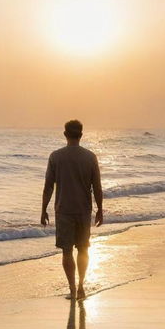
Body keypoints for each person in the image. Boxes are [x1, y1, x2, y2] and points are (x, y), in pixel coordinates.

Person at [41, 120, 103, 300]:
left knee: (66, 251)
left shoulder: (56, 157)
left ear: (65, 134)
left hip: (63, 210)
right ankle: (82, 285)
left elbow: (48, 187)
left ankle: (72, 288)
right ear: (81, 135)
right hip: (83, 210)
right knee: (83, 249)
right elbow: (97, 187)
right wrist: (100, 209)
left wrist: (43, 209)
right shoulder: (90, 157)